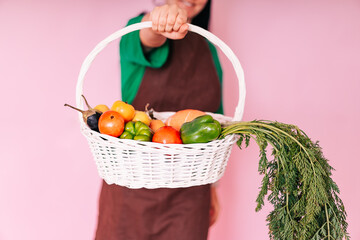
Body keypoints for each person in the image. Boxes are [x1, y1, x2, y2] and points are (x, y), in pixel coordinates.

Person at [95, 1, 223, 239]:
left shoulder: (209, 48)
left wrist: (214, 187)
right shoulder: (138, 29)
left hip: (190, 197)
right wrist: (158, 20)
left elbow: (217, 126)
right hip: (132, 193)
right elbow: (150, 34)